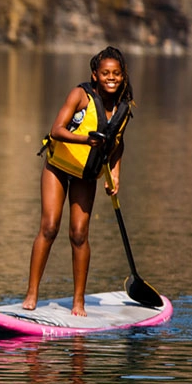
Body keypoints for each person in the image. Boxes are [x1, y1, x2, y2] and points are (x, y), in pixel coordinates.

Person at [23, 46, 134, 316]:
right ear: (94, 75)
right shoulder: (80, 95)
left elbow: (117, 144)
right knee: (49, 227)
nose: (111, 78)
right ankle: (31, 294)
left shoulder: (123, 108)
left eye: (116, 73)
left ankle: (78, 301)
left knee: (79, 234)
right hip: (59, 167)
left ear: (123, 76)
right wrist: (86, 139)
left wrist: (116, 174)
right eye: (105, 73)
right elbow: (56, 130)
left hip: (87, 174)